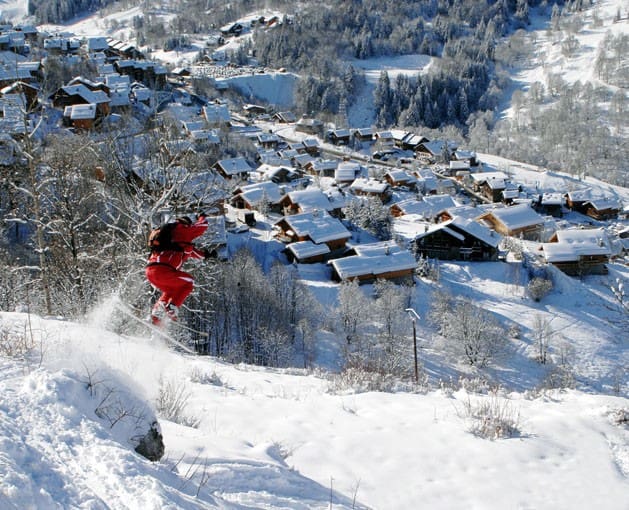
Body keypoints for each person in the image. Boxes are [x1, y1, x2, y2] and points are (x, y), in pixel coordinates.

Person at [145, 214, 211, 327]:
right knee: (189, 282)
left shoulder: (172, 237)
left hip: (150, 272)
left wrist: (206, 255)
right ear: (186, 224)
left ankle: (156, 315)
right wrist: (202, 216)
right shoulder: (183, 229)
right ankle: (172, 307)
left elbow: (192, 252)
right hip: (164, 270)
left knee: (172, 290)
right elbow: (203, 225)